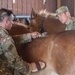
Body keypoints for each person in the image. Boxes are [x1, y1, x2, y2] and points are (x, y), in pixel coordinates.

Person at [0, 8, 46, 75]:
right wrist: (30, 67)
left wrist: (29, 36)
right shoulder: (5, 38)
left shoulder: (3, 35)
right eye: (11, 20)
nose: (13, 22)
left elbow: (11, 40)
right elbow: (15, 61)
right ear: (6, 21)